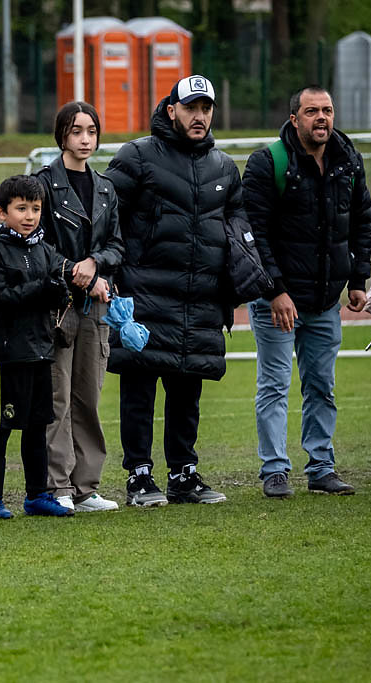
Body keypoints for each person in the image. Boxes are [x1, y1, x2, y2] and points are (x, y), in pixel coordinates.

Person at [105, 75, 242, 507]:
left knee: (188, 389)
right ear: (171, 110)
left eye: (205, 108)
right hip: (143, 294)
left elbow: (238, 230)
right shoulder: (137, 156)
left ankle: (184, 473)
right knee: (140, 389)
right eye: (190, 108)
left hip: (199, 298)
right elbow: (105, 213)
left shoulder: (224, 167)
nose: (199, 116)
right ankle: (139, 475)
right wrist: (109, 273)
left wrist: (236, 283)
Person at [242, 85, 371, 498]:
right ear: (294, 118)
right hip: (276, 300)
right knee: (275, 384)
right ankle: (275, 470)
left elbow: (362, 220)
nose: (322, 118)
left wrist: (357, 280)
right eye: (313, 111)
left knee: (322, 386)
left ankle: (321, 467)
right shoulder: (268, 163)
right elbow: (253, 234)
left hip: (325, 301)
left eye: (328, 110)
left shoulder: (348, 160)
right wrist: (276, 290)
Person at [33, 101, 123, 513]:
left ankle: (87, 486)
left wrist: (97, 265)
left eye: (92, 130)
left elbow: (118, 246)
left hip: (97, 306)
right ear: (62, 136)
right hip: (57, 307)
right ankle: (58, 487)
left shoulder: (106, 188)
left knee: (89, 397)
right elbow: (37, 246)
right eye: (76, 131)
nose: (85, 138)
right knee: (58, 398)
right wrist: (74, 269)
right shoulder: (43, 185)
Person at [0, 176, 74, 520]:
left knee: (37, 426)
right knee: (0, 427)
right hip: (6, 355)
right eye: (21, 208)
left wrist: (60, 291)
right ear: (2, 212)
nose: (29, 215)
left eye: (35, 208)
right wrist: (40, 289)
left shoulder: (45, 249)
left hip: (40, 351)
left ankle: (37, 495)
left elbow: (54, 288)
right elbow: (0, 298)